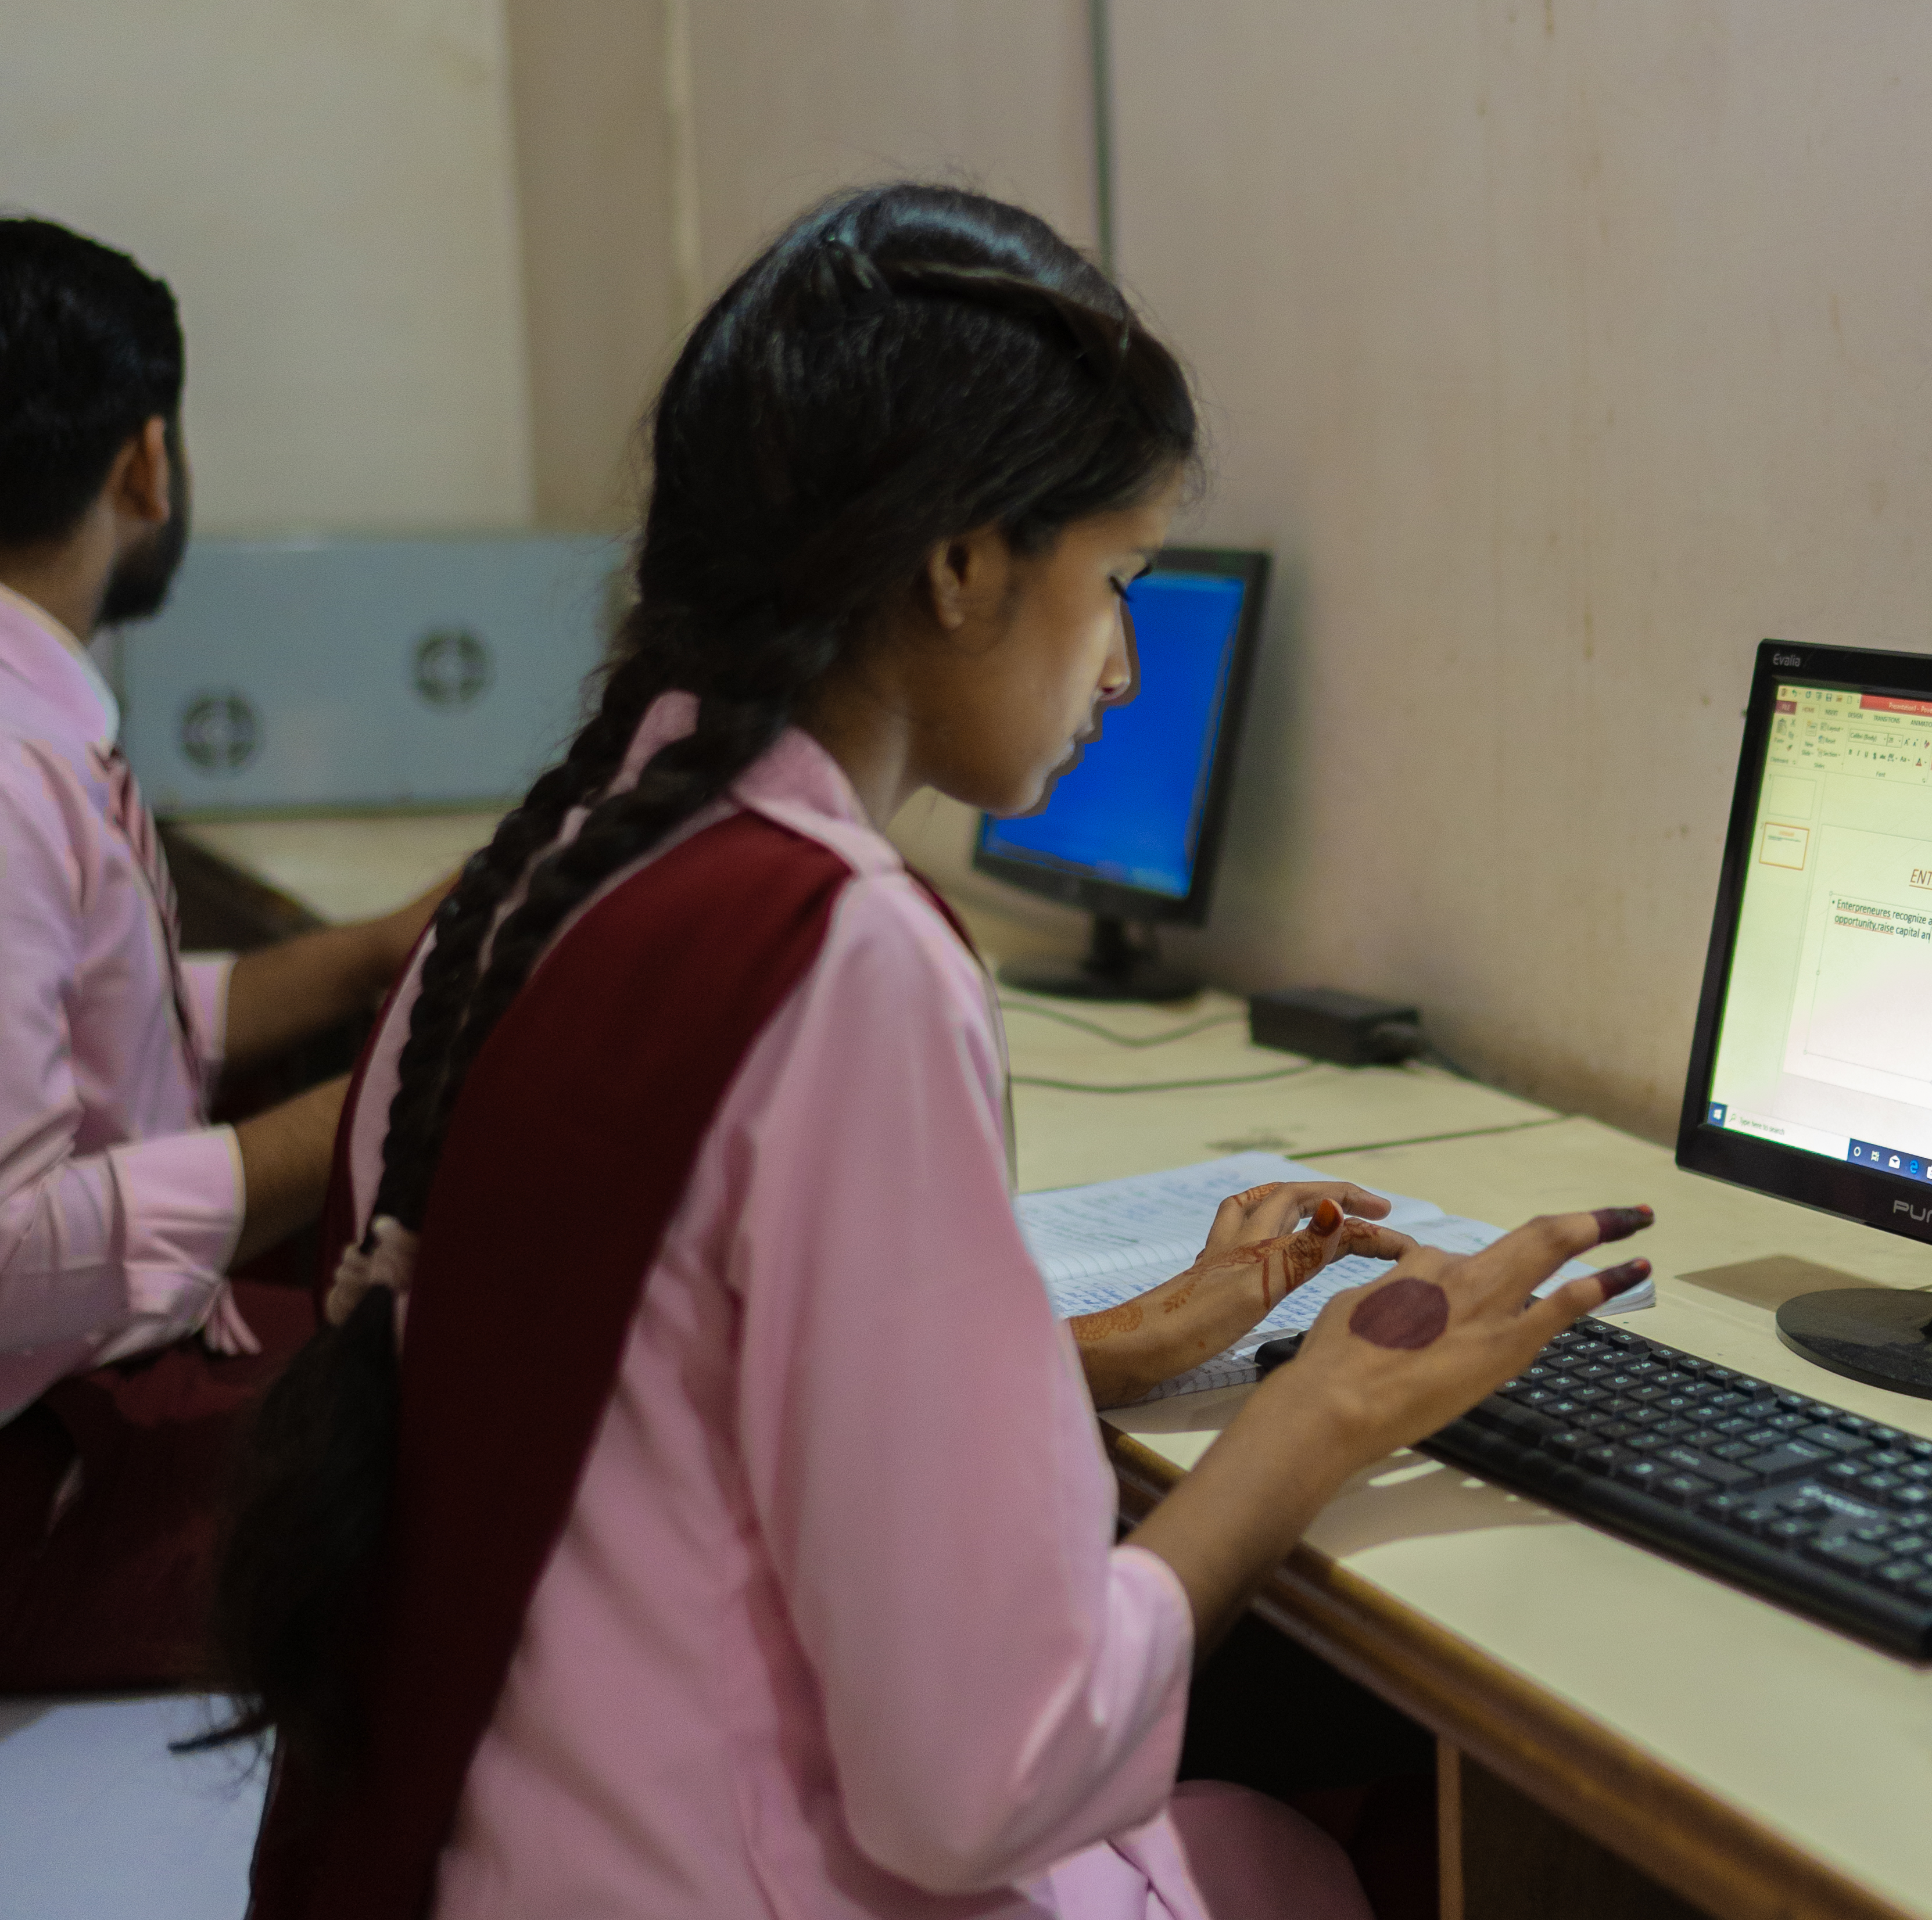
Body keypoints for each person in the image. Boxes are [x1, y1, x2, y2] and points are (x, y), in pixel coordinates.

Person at [218, 184, 1652, 1920]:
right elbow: (986, 1777)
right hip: (717, 1867)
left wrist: (1131, 1346)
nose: (1123, 667)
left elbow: (680, 1396)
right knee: (1324, 1857)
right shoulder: (839, 953)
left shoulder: (563, 866)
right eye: (1116, 578)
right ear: (964, 563)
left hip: (496, 1840)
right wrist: (1321, 1422)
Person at [0, 217, 443, 1686]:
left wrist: (374, 955)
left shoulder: (36, 725)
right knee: (524, 1474)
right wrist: (375, 1104)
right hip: (39, 1471)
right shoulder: (8, 763)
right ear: (146, 460)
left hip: (87, 1382)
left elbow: (78, 1022)